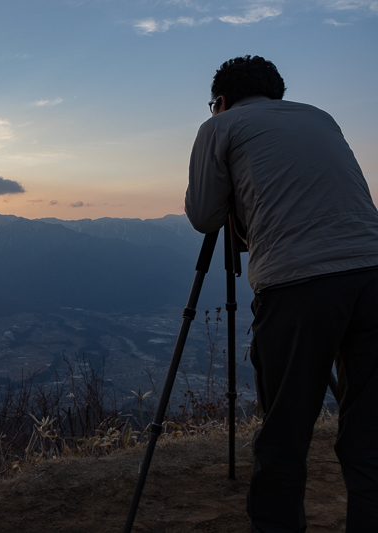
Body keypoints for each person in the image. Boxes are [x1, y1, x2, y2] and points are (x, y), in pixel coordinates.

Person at [185, 55, 378, 532]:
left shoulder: (221, 126)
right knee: (371, 432)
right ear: (278, 95)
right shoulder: (320, 117)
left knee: (285, 435)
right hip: (374, 273)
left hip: (297, 284)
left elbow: (205, 216)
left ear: (221, 101)